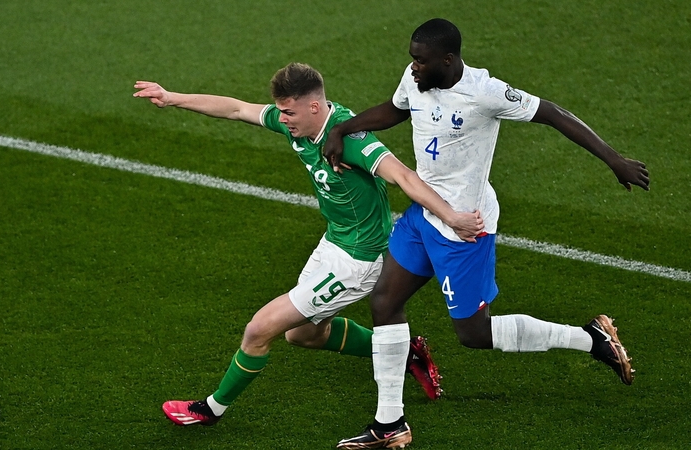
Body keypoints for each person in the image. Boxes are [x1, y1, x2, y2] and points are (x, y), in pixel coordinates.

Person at [324, 19, 650, 449]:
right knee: (385, 301)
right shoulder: (417, 79)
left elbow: (553, 113)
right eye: (412, 58)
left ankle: (591, 338)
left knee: (474, 335)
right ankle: (390, 424)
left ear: (448, 59)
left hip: (464, 227)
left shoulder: (485, 92)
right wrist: (343, 128)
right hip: (424, 214)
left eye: (420, 60)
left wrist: (614, 160)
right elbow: (395, 108)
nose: (412, 66)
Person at [132, 62, 485, 427]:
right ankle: (405, 352)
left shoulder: (353, 139)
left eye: (288, 112)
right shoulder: (298, 126)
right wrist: (171, 97)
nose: (282, 120)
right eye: (280, 111)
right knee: (303, 335)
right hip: (334, 241)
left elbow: (403, 176)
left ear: (313, 107)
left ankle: (209, 409)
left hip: (359, 260)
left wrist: (452, 217)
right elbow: (237, 108)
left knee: (258, 329)